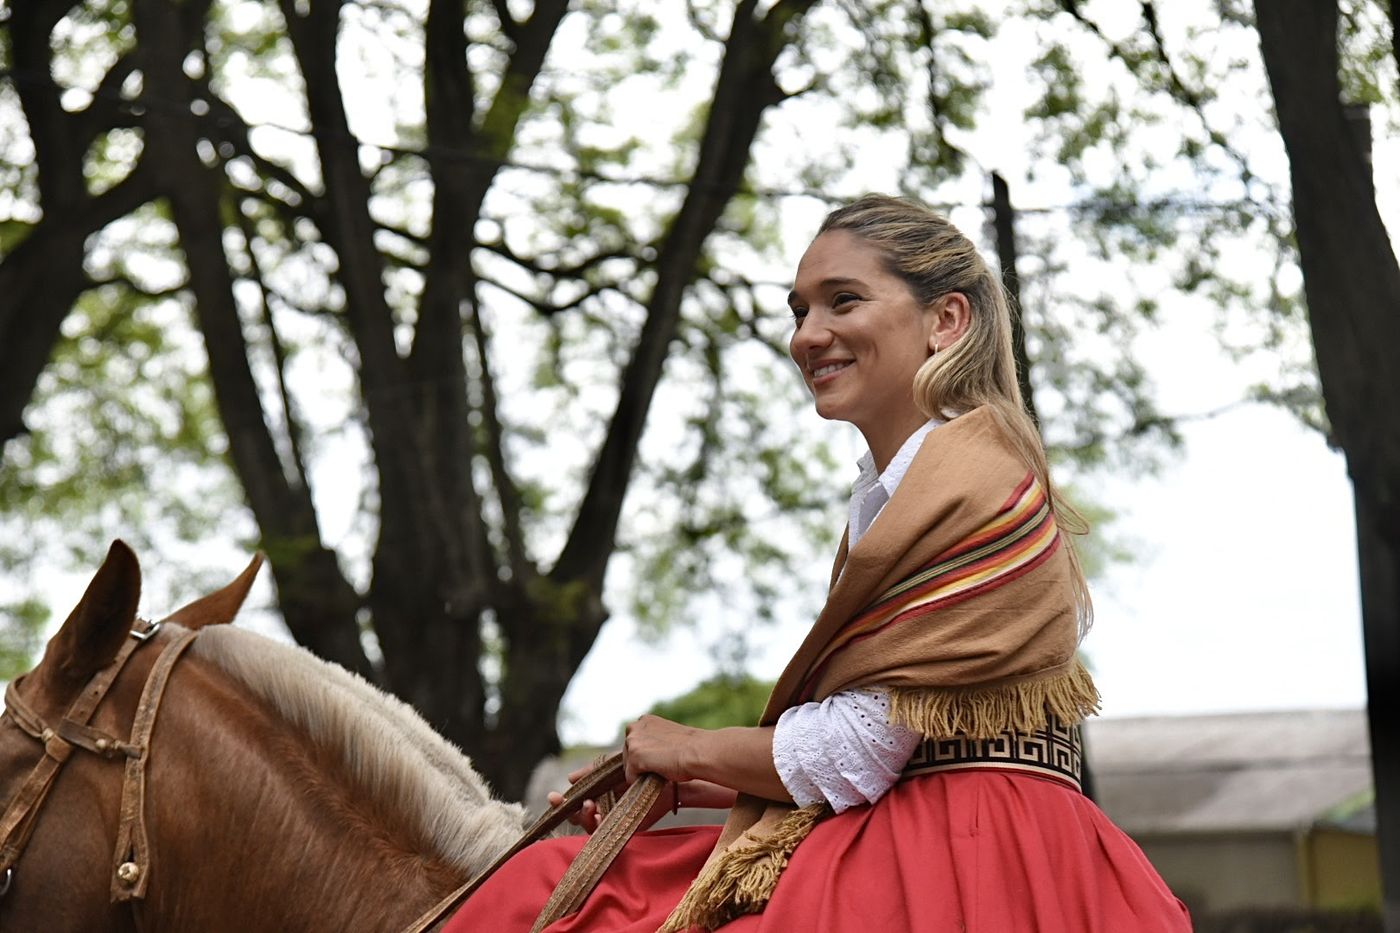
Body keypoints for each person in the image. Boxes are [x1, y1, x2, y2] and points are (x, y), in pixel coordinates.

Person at [444, 194, 1191, 932]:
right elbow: (905, 741)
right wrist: (686, 777)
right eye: (800, 310)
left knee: (561, 896)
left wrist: (689, 745)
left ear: (946, 321)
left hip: (963, 853)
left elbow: (864, 744)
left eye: (843, 300)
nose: (810, 334)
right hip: (942, 821)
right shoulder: (910, 484)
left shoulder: (967, 482)